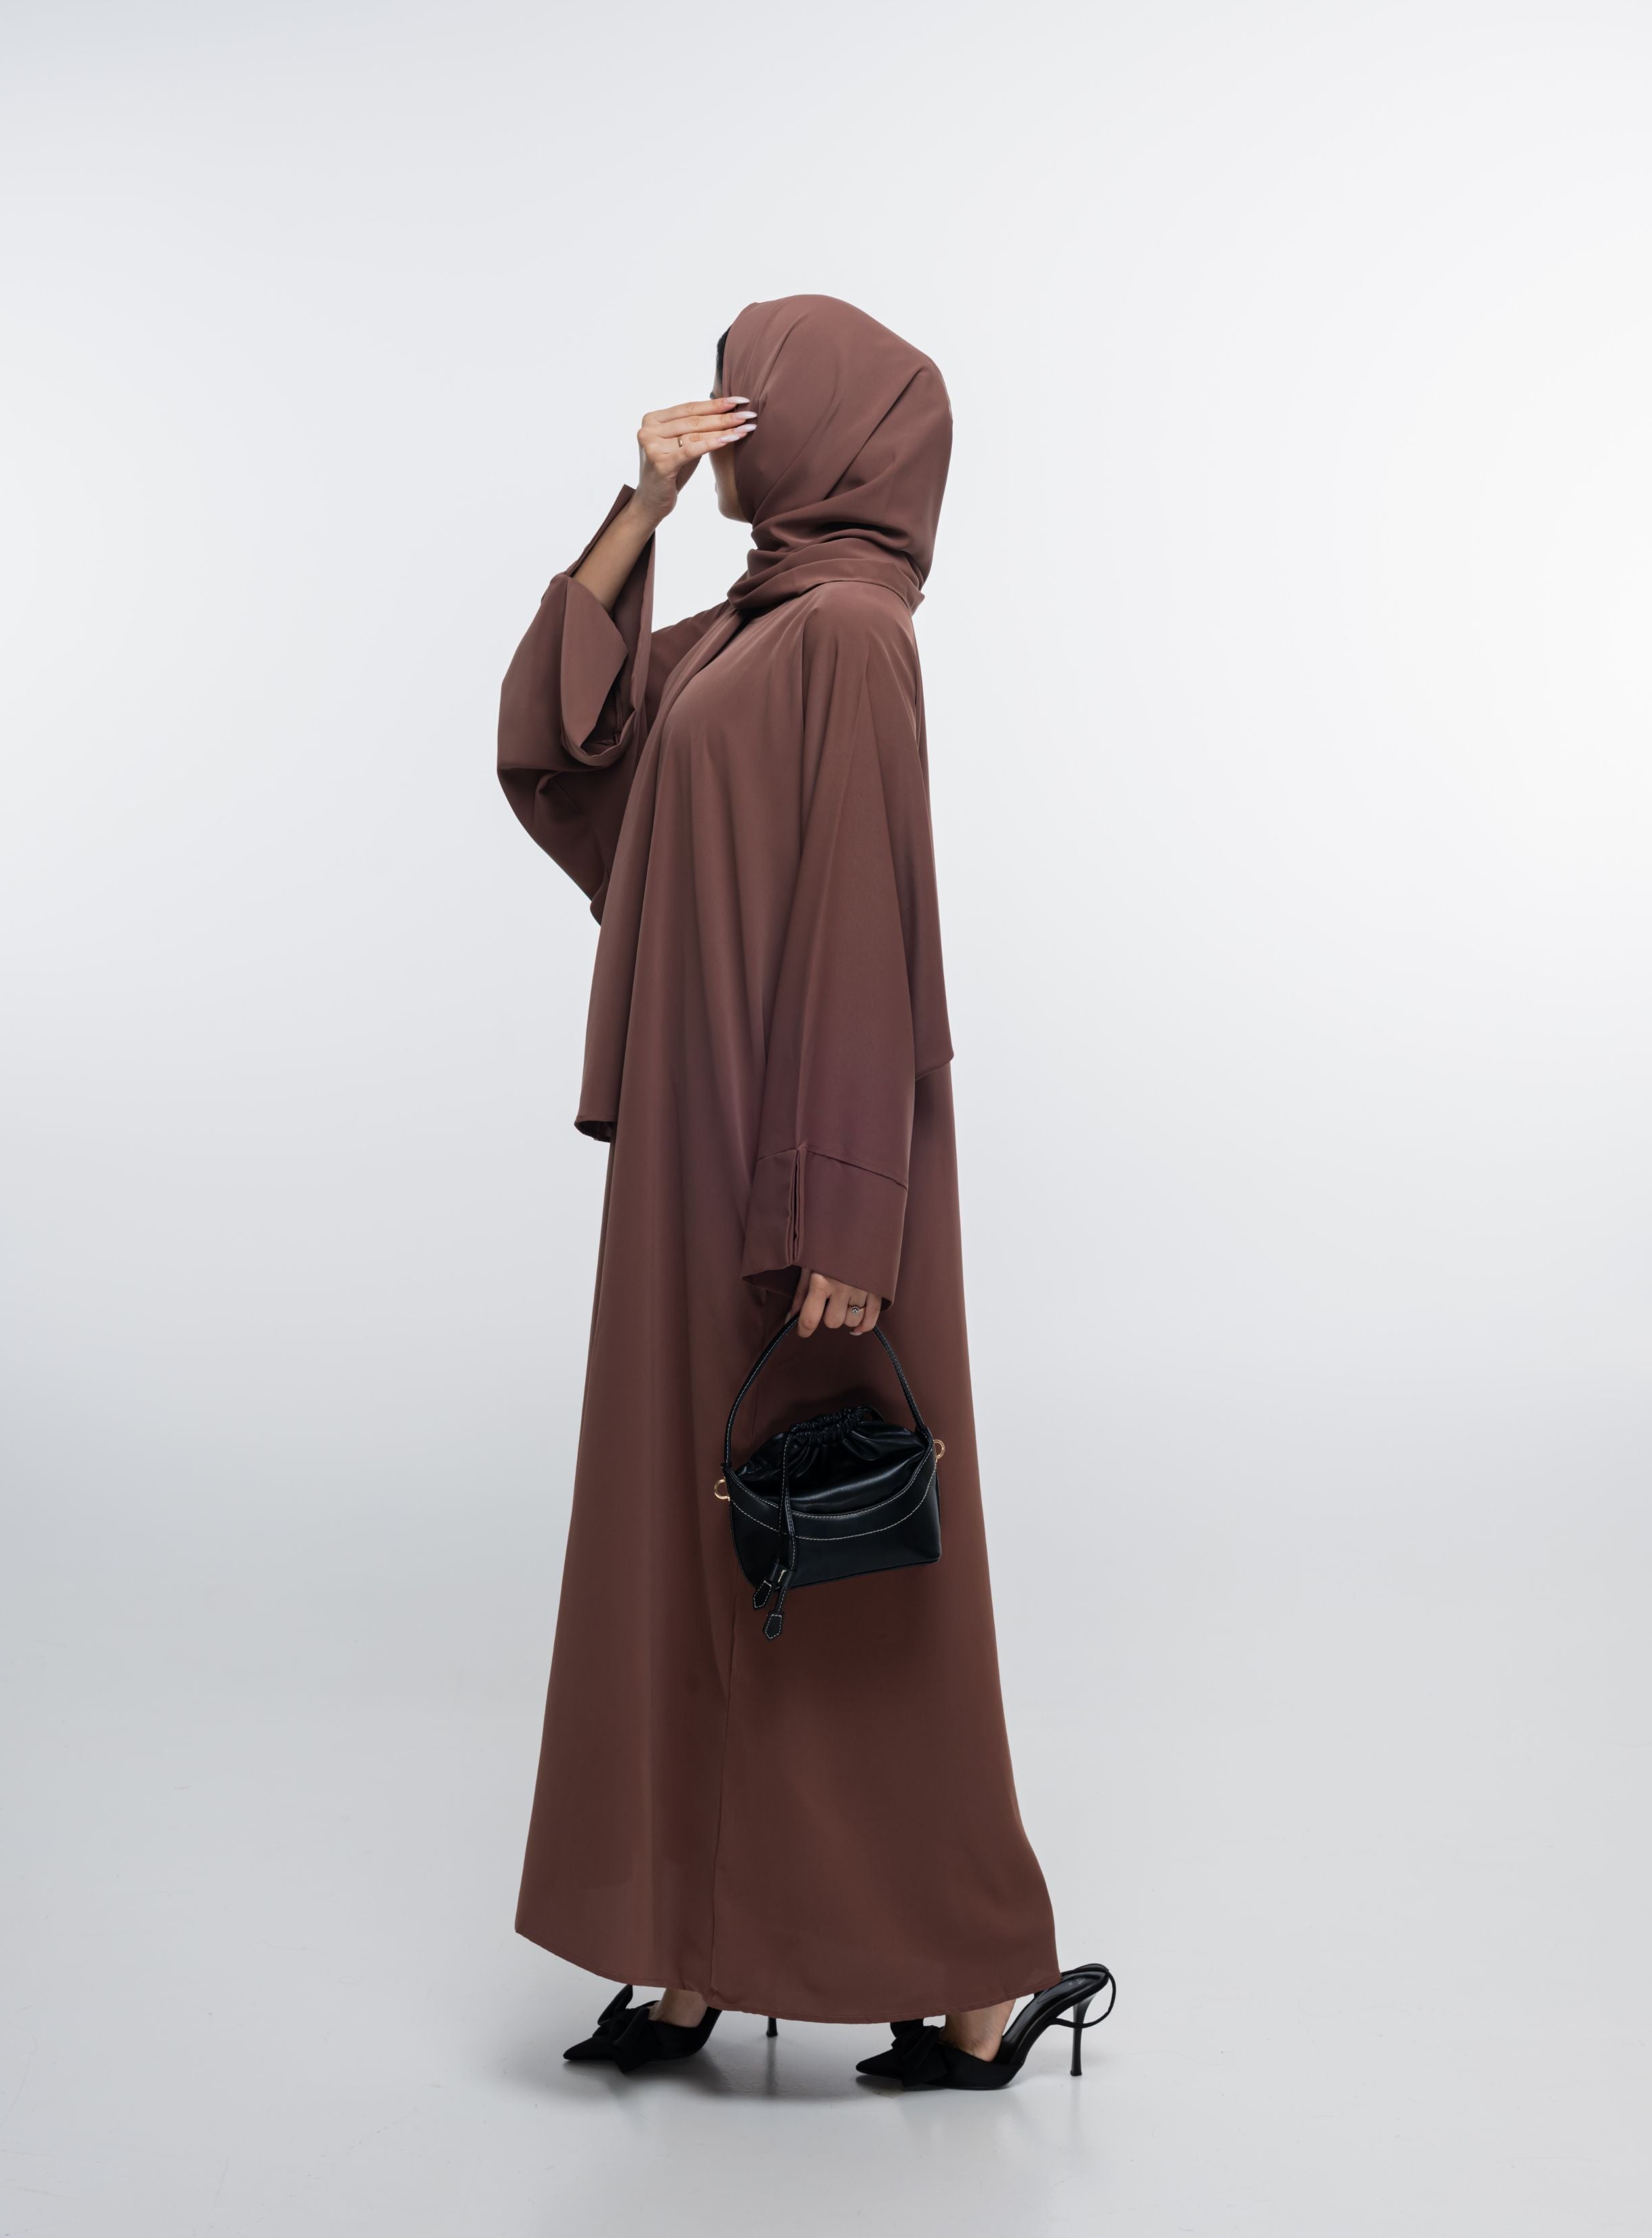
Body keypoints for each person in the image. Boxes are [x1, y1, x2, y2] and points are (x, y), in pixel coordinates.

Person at [496, 294, 1112, 2091]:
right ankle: (694, 1955)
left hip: (798, 1177)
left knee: (845, 1578)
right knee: (693, 1541)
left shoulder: (849, 639)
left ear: (831, 425)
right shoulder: (748, 628)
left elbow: (864, 920)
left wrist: (849, 1208)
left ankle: (974, 1980)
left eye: (754, 387)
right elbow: (562, 752)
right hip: (693, 1174)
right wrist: (636, 508)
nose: (728, 415)